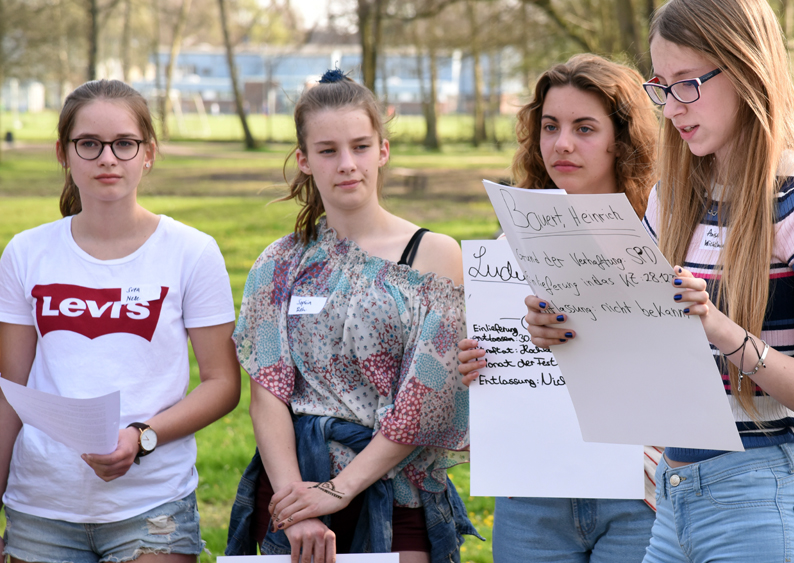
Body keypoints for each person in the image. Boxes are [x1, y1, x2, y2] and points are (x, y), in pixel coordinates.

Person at [526, 1, 794, 561]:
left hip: (759, 497)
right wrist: (566, 327)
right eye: (663, 87)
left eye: (688, 83)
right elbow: (642, 349)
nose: (674, 108)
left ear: (747, 69)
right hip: (670, 496)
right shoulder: (673, 198)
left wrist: (718, 326)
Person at [225, 70, 477, 563]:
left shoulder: (434, 256)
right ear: (303, 160)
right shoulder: (278, 263)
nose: (347, 165)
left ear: (382, 150)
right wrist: (298, 504)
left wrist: (339, 490)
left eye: (360, 147)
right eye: (327, 151)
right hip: (292, 497)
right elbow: (267, 394)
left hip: (395, 495)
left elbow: (426, 400)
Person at [0, 79, 241, 561]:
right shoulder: (26, 252)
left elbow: (222, 383)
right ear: (63, 153)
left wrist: (141, 436)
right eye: (88, 144)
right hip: (41, 507)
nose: (107, 158)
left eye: (124, 143)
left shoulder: (192, 251)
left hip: (153, 505)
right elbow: (10, 388)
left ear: (147, 153)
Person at [457, 53, 660, 563]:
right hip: (533, 490)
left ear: (625, 138)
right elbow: (512, 360)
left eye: (584, 128)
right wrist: (479, 366)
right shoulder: (512, 237)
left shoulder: (666, 232)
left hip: (637, 490)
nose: (562, 144)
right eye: (550, 126)